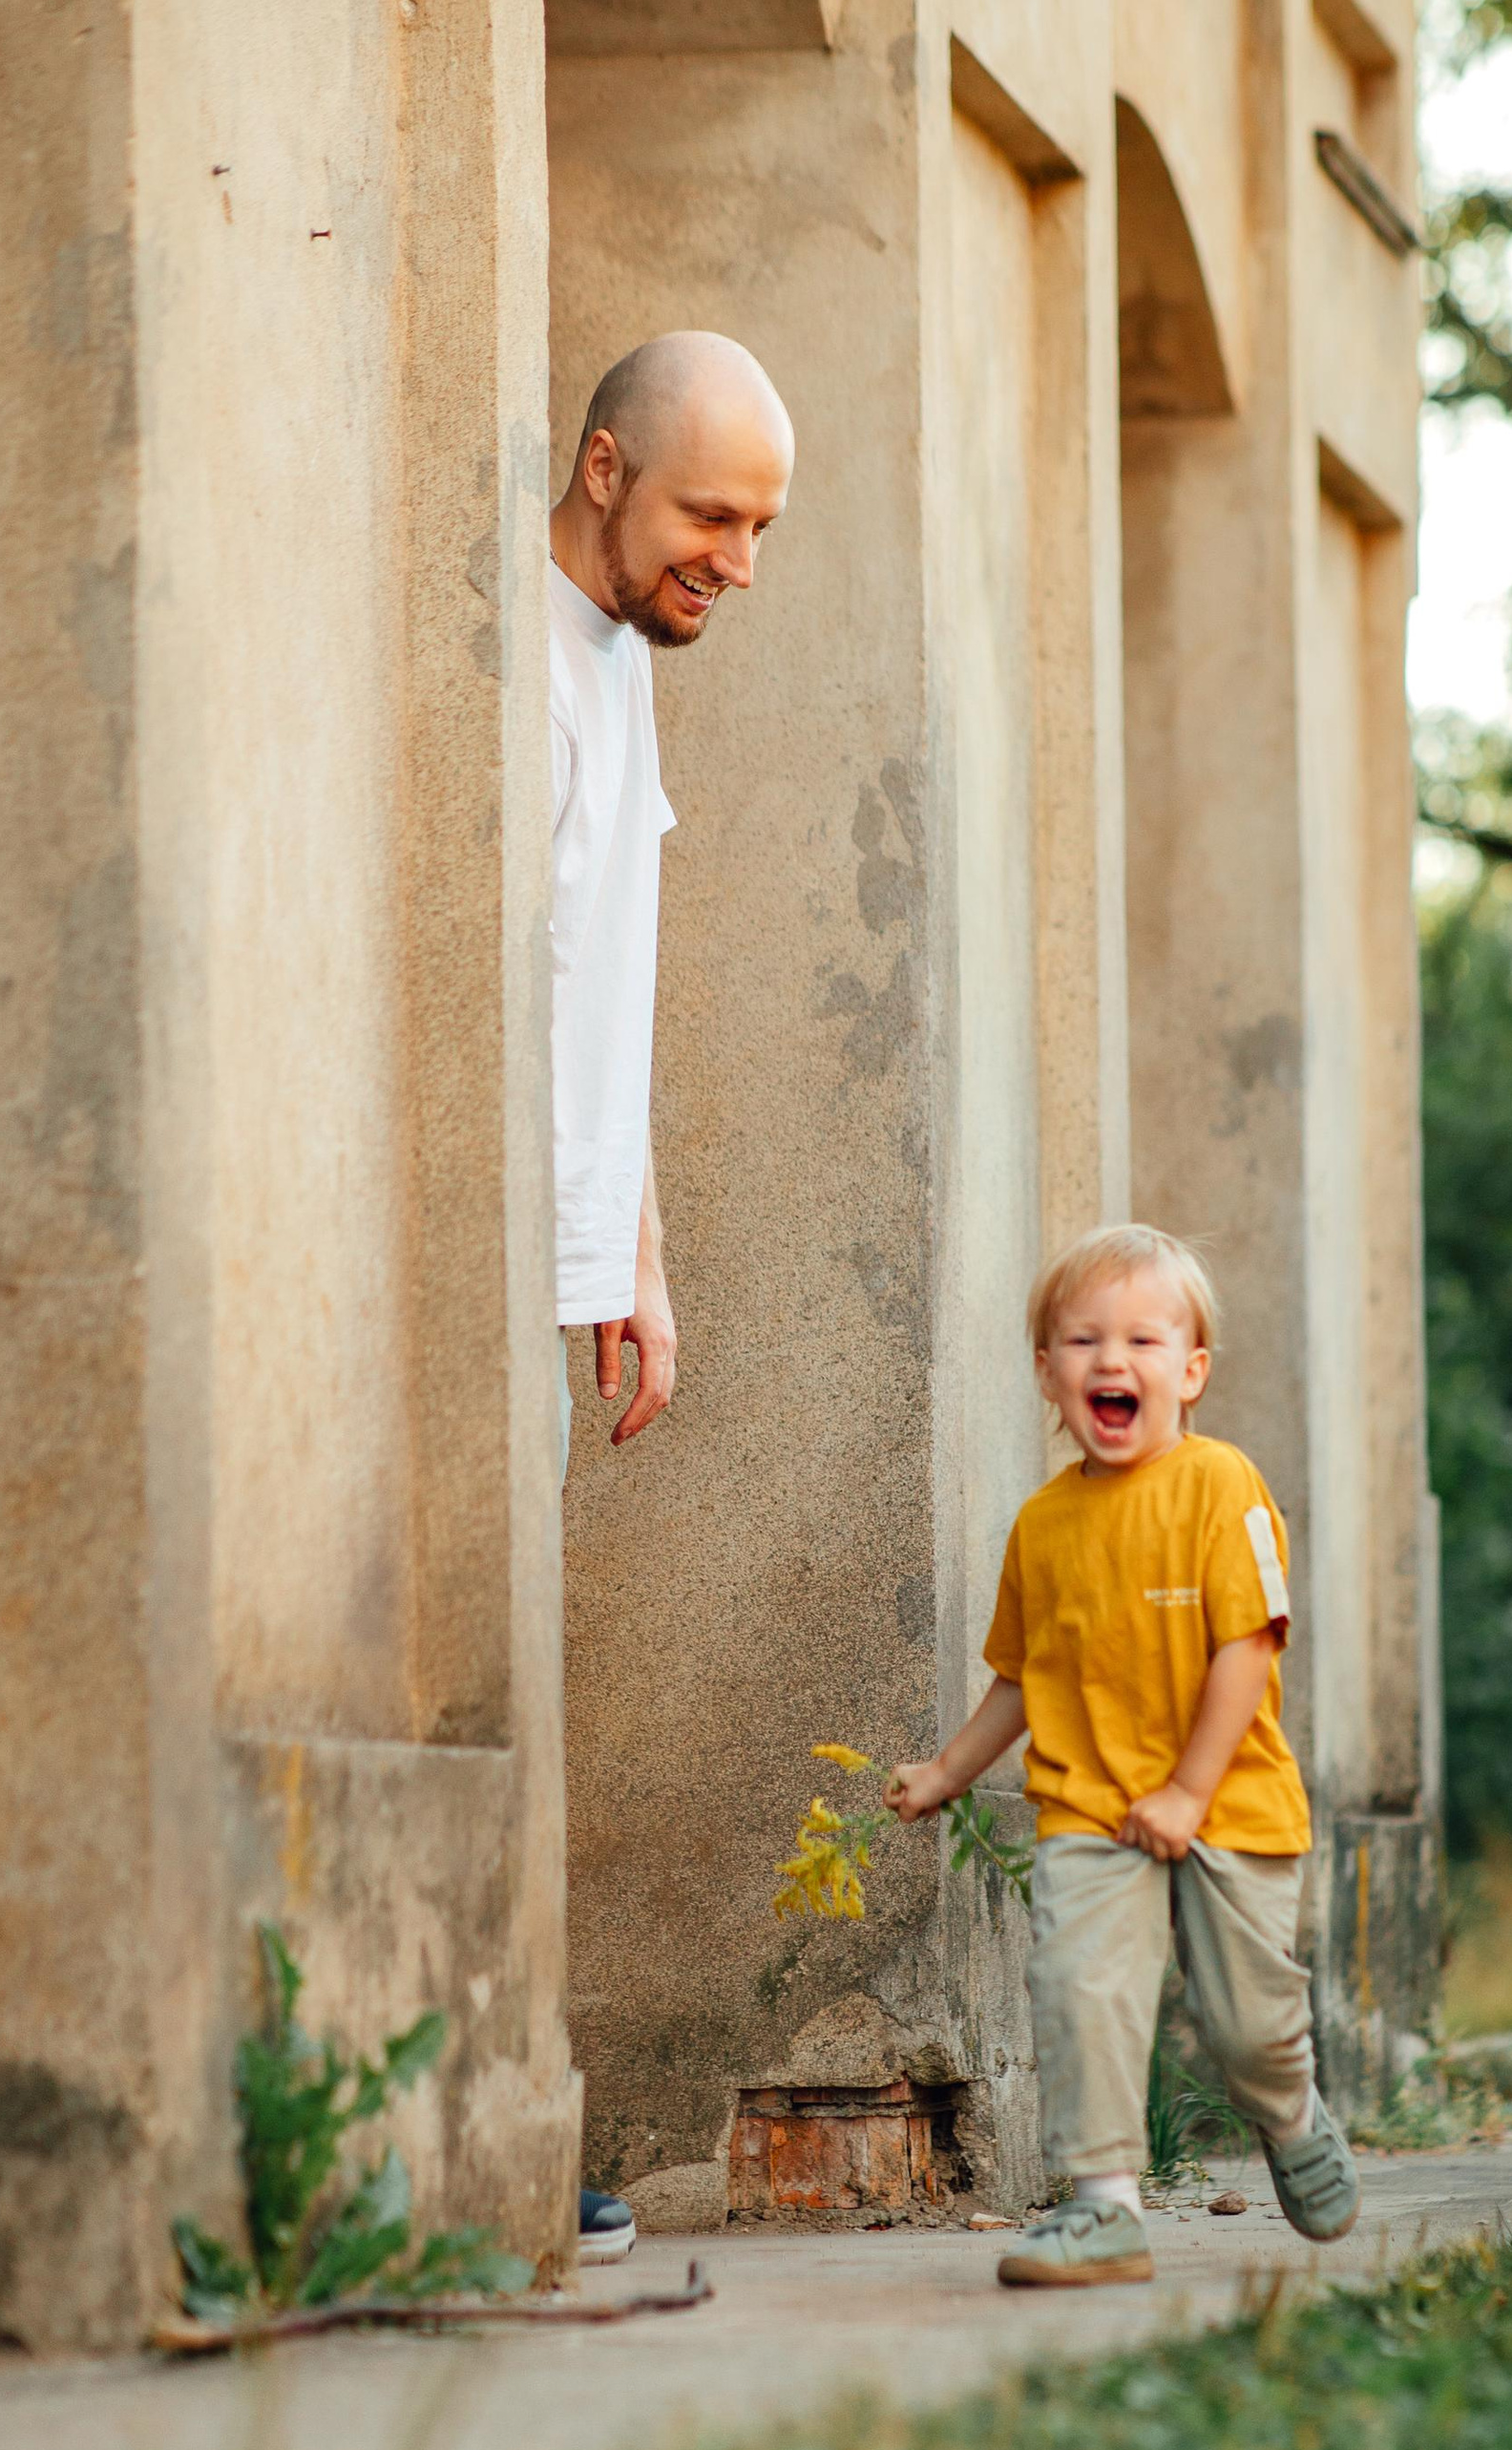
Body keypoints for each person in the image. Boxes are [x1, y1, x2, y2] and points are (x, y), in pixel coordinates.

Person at [885, 1223, 1360, 2287]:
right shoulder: (1041, 1527)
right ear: (1047, 1371)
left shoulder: (1218, 1484)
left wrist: (1190, 1789)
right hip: (1090, 1807)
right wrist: (950, 1772)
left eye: (1144, 1340)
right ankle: (1102, 2209)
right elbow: (1022, 1675)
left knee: (1247, 2029)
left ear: (1188, 1372)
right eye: (1081, 1340)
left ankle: (1288, 2111)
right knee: (1081, 1987)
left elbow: (1246, 1645)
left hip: (1228, 1800)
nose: (1112, 1361)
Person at [551, 328, 793, 2258]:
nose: (733, 554)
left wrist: (636, 1244)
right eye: (710, 510)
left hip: (563, 1251)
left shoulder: (624, 668)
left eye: (760, 526)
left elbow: (603, 970)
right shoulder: (504, 655)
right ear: (603, 461)